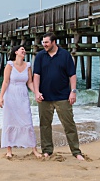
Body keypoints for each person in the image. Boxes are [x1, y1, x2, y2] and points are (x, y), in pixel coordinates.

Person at [32, 32, 85, 160]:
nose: (44, 45)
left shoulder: (65, 55)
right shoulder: (40, 56)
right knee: (44, 125)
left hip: (63, 96)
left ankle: (76, 152)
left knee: (69, 125)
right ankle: (47, 151)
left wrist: (73, 91)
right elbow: (36, 75)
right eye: (43, 42)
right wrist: (36, 92)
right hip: (44, 97)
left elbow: (72, 75)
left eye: (46, 42)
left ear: (53, 42)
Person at [0, 44, 39, 159]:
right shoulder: (10, 65)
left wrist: (36, 92)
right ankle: (9, 150)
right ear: (16, 52)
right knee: (10, 120)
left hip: (23, 95)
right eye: (22, 49)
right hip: (10, 95)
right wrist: (1, 97)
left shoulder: (28, 66)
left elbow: (30, 82)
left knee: (27, 120)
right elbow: (5, 82)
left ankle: (34, 149)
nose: (24, 51)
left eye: (24, 50)